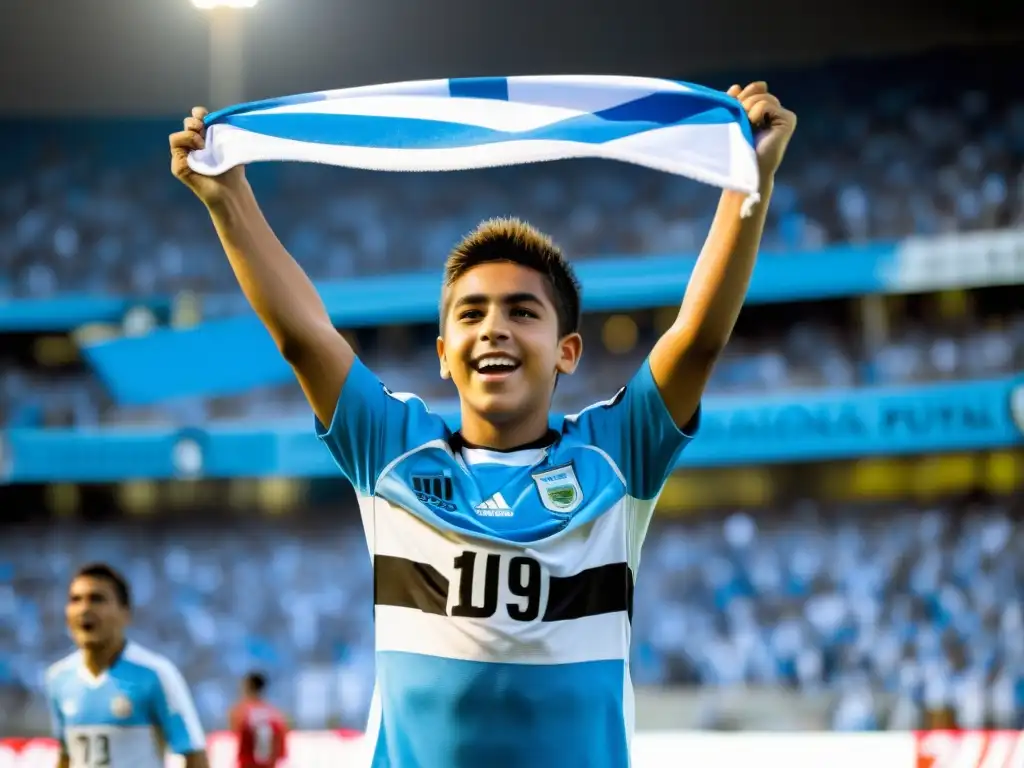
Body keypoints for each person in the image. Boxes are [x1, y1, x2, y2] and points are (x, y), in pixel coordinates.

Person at [170, 81, 796, 768]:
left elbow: (697, 338)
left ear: (568, 350)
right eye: (470, 314)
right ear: (443, 355)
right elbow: (303, 336)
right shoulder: (392, 452)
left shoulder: (617, 455)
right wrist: (228, 197)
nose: (493, 327)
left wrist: (748, 183)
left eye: (522, 312)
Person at [45, 563, 208, 768]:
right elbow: (66, 755)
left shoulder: (155, 674)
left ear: (125, 612)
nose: (84, 608)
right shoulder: (58, 678)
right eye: (75, 599)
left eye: (97, 599)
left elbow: (194, 755)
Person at [229, 672, 288, 768]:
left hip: (247, 763)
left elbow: (234, 731)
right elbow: (281, 747)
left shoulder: (240, 711)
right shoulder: (275, 712)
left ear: (248, 686)